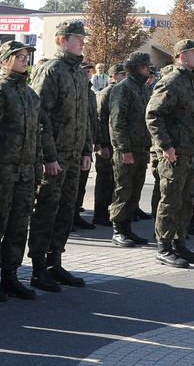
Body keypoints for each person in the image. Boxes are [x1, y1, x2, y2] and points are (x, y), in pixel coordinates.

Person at [27, 21, 92, 291]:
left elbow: (85, 116)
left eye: (83, 39)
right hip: (55, 157)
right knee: (46, 211)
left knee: (66, 211)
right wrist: (49, 156)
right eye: (78, 39)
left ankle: (55, 261)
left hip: (74, 155)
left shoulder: (77, 73)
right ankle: (39, 267)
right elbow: (40, 117)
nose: (83, 43)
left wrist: (87, 149)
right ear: (62, 40)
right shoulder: (50, 70)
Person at [0, 40, 40, 301]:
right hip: (2, 172)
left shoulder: (29, 94)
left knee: (18, 226)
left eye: (27, 56)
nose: (25, 60)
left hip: (25, 172)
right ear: (4, 61)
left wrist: (36, 167)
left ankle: (11, 276)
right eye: (19, 56)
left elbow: (36, 134)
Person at [146, 39, 194, 268]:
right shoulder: (171, 81)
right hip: (174, 155)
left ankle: (180, 245)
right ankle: (164, 247)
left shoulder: (192, 83)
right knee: (170, 201)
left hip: (190, 154)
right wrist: (165, 146)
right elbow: (153, 115)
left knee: (185, 201)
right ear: (182, 56)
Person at [108, 52, 154, 248]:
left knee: (135, 192)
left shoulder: (143, 89)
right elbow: (117, 122)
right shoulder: (123, 89)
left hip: (141, 149)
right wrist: (123, 149)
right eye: (145, 67)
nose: (148, 70)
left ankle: (127, 228)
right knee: (123, 190)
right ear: (136, 67)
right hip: (126, 150)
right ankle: (118, 230)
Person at [93, 63, 125, 226]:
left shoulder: (121, 91)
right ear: (113, 76)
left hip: (118, 144)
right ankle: (99, 213)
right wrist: (102, 144)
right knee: (105, 181)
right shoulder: (106, 93)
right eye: (121, 74)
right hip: (107, 144)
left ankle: (112, 212)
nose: (124, 77)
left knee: (116, 181)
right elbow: (100, 120)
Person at [73, 62, 97, 231]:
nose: (88, 73)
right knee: (71, 187)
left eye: (89, 71)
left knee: (80, 185)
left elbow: (89, 120)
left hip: (84, 142)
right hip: (70, 144)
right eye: (85, 71)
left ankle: (75, 215)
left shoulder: (89, 92)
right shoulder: (76, 89)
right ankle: (68, 219)